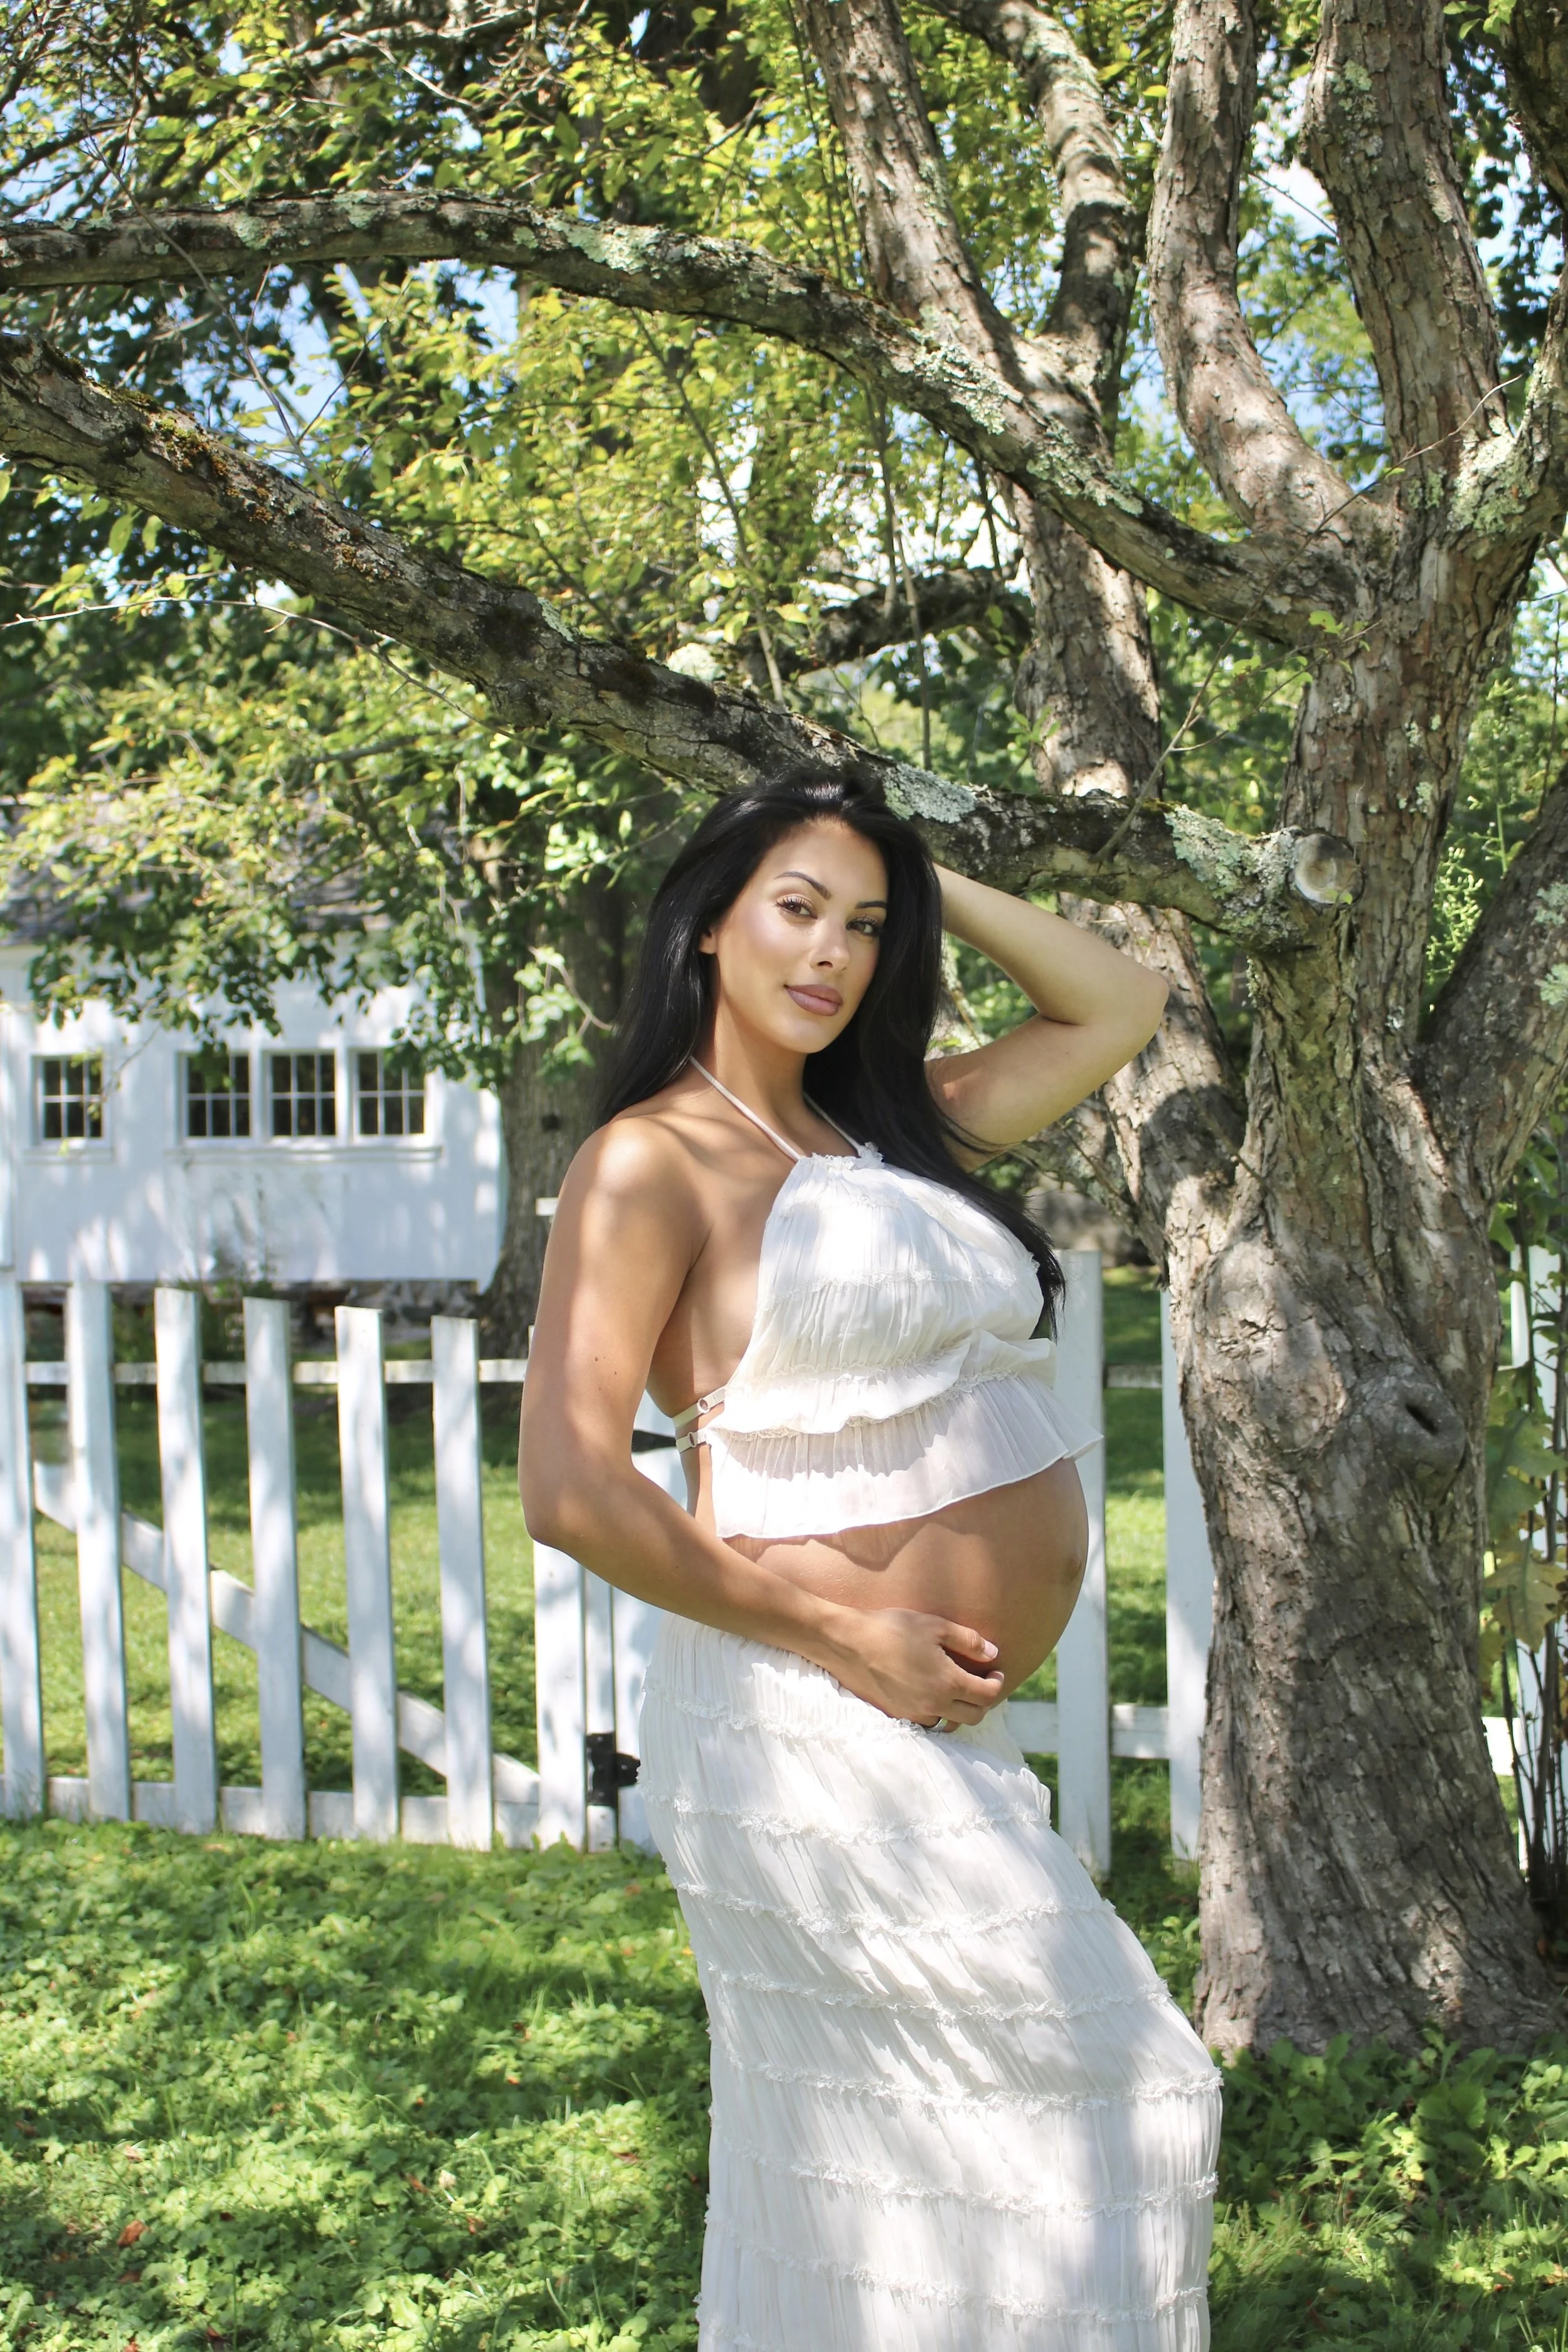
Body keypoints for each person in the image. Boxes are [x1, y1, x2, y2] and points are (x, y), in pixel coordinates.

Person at [521, 772, 1222, 2351]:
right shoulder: (651, 1161)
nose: (829, 953)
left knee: (911, 2176)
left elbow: (1117, 1004)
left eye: (865, 925)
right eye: (794, 908)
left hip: (901, 1716)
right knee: (1114, 2091)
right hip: (796, 1712)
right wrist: (845, 1640)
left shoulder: (896, 1126)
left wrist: (918, 861)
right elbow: (569, 1485)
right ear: (706, 926)